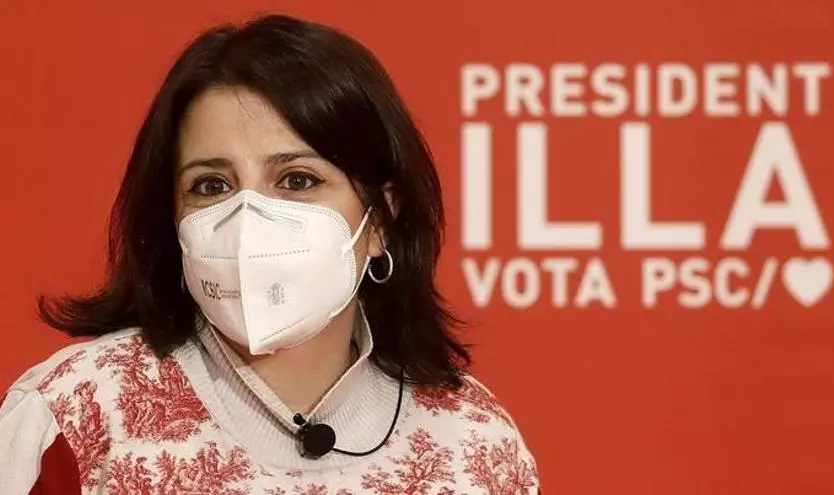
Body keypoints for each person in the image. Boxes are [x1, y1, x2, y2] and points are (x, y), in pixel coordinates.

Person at [0, 13, 540, 494]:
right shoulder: (77, 413)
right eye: (211, 185)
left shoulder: (475, 443)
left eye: (297, 180)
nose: (248, 219)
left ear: (379, 219)